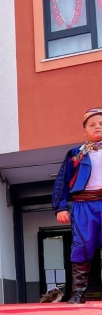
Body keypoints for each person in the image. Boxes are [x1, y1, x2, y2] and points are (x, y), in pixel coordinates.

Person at [53, 107, 102, 303]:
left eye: (101, 124)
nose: (97, 127)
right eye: (92, 125)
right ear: (84, 130)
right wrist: (61, 207)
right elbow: (62, 181)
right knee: (82, 245)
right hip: (83, 205)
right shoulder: (75, 154)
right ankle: (78, 294)